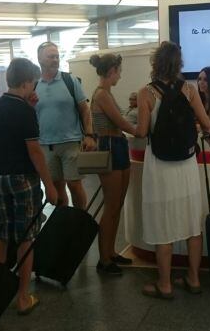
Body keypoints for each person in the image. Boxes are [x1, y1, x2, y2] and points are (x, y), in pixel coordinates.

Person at [136, 42, 210, 299]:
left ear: (155, 63)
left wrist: (122, 123)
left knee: (163, 222)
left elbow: (141, 132)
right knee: (192, 223)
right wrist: (208, 133)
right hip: (186, 165)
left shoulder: (146, 93)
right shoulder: (190, 90)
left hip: (159, 166)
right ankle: (193, 279)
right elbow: (207, 125)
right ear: (179, 63)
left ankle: (165, 284)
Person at [0, 58, 58, 315]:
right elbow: (35, 152)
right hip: (22, 179)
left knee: (0, 234)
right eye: (33, 83)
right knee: (27, 237)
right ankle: (23, 296)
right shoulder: (25, 111)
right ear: (27, 82)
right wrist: (50, 185)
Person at [88, 54, 138, 276]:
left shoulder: (107, 93)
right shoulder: (101, 94)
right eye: (119, 70)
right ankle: (103, 260)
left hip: (117, 146)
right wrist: (140, 130)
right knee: (110, 206)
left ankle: (111, 251)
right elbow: (121, 121)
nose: (120, 74)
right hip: (108, 147)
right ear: (111, 71)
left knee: (117, 205)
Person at [33, 42, 96, 209]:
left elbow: (85, 110)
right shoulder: (33, 85)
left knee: (74, 185)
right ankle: (63, 221)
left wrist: (89, 135)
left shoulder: (70, 80)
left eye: (57, 56)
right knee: (55, 188)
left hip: (71, 143)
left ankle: (80, 219)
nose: (55, 60)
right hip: (45, 145)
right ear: (39, 59)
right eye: (50, 56)